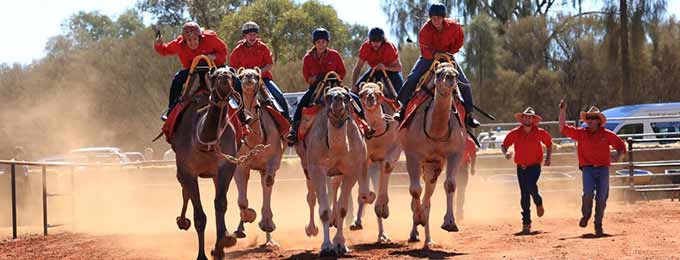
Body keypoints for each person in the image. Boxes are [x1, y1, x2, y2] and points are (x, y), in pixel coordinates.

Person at [395, 3, 479, 128]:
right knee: (413, 77)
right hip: (429, 58)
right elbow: (424, 49)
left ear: (443, 18)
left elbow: (460, 39)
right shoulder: (425, 30)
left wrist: (450, 53)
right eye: (433, 18)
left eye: (439, 18)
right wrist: (434, 54)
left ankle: (470, 115)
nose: (436, 20)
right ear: (430, 18)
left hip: (448, 56)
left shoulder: (454, 26)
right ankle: (402, 109)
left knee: (464, 82)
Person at [287, 28, 372, 145]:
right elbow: (307, 78)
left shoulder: (334, 55)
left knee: (354, 98)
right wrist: (318, 78)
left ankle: (365, 125)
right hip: (316, 87)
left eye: (323, 42)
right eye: (318, 42)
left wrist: (334, 77)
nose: (321, 44)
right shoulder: (308, 57)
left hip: (335, 85)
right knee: (301, 104)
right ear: (314, 43)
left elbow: (342, 72)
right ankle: (294, 131)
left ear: (327, 43)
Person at [559, 99, 626, 237]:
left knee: (602, 197)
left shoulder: (607, 134)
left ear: (598, 121)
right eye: (588, 117)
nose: (590, 120)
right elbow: (563, 128)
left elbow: (621, 146)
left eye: (593, 118)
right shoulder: (581, 133)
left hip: (603, 169)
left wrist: (617, 156)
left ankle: (598, 224)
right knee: (587, 194)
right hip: (588, 169)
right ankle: (586, 214)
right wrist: (562, 111)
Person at [154, 22, 228, 121]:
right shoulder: (179, 44)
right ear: (184, 40)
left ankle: (241, 111)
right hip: (193, 70)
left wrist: (214, 57)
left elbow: (223, 51)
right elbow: (165, 50)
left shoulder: (210, 38)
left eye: (195, 39)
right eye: (189, 40)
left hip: (214, 67)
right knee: (177, 79)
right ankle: (171, 110)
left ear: (200, 37)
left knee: (232, 77)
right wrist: (159, 45)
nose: (192, 43)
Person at [501, 107, 553, 234]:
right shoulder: (515, 132)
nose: (528, 119)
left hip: (535, 165)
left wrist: (548, 158)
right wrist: (506, 152)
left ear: (533, 120)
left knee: (530, 185)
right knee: (524, 194)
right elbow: (504, 145)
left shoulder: (539, 132)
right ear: (522, 119)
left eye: (530, 117)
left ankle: (538, 201)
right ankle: (526, 222)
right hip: (521, 167)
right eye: (526, 117)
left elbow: (549, 143)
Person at [230, 21, 290, 121]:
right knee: (231, 98)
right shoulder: (238, 50)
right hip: (243, 80)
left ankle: (287, 124)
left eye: (254, 34)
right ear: (245, 36)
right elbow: (233, 67)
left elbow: (269, 64)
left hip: (262, 79)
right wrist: (242, 74)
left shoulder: (263, 47)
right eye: (250, 35)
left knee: (279, 96)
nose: (252, 37)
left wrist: (257, 73)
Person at [350, 27, 403, 98]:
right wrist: (353, 85)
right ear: (370, 41)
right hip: (374, 70)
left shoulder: (389, 47)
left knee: (402, 92)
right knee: (354, 92)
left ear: (382, 41)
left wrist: (385, 67)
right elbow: (358, 68)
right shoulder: (365, 47)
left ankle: (403, 107)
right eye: (373, 41)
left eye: (378, 41)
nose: (376, 43)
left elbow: (399, 68)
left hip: (391, 70)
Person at [455, 135, 477, 221]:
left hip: (462, 168)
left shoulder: (469, 142)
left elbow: (473, 156)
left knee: (461, 190)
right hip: (455, 168)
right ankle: (454, 211)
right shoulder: (453, 139)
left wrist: (472, 168)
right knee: (454, 190)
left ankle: (459, 211)